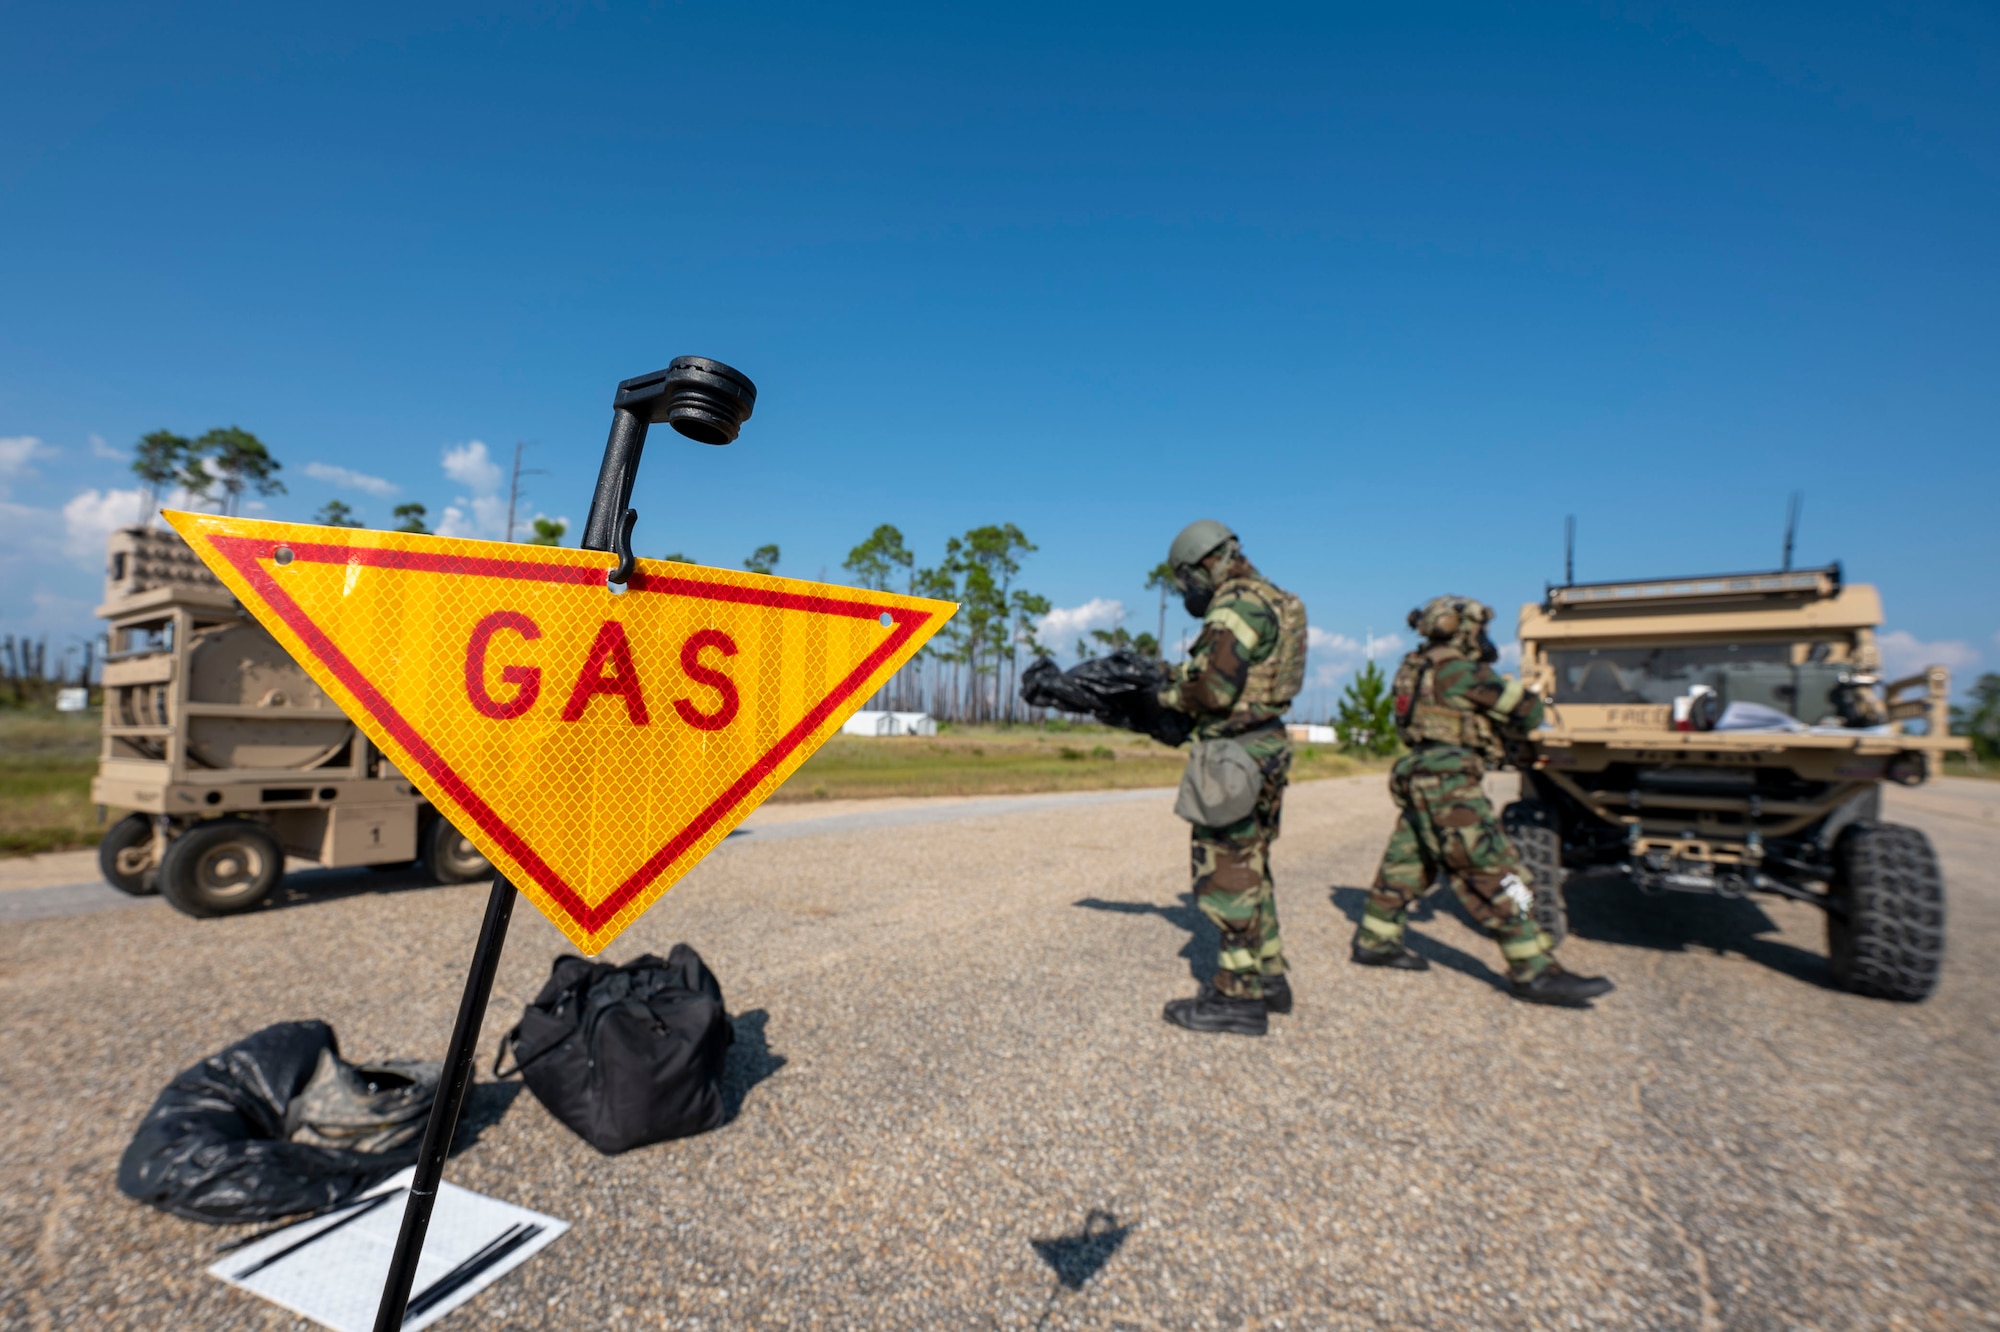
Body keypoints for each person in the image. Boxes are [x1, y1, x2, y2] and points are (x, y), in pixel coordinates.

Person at [1356, 596, 1615, 1006]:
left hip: (1420, 774)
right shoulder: (1460, 670)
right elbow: (1526, 711)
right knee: (1493, 868)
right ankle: (1533, 968)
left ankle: (1377, 937)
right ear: (1463, 629)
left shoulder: (1413, 668)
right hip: (1450, 782)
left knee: (1408, 860)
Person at [1157, 520, 1308, 1037]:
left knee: (1227, 875)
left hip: (1234, 754)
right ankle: (1268, 976)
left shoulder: (1234, 603)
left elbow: (1215, 690)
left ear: (1203, 564)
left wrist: (1166, 696)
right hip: (1265, 742)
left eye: (1185, 579)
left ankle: (1235, 997)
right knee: (1253, 864)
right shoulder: (1274, 598)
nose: (1187, 591)